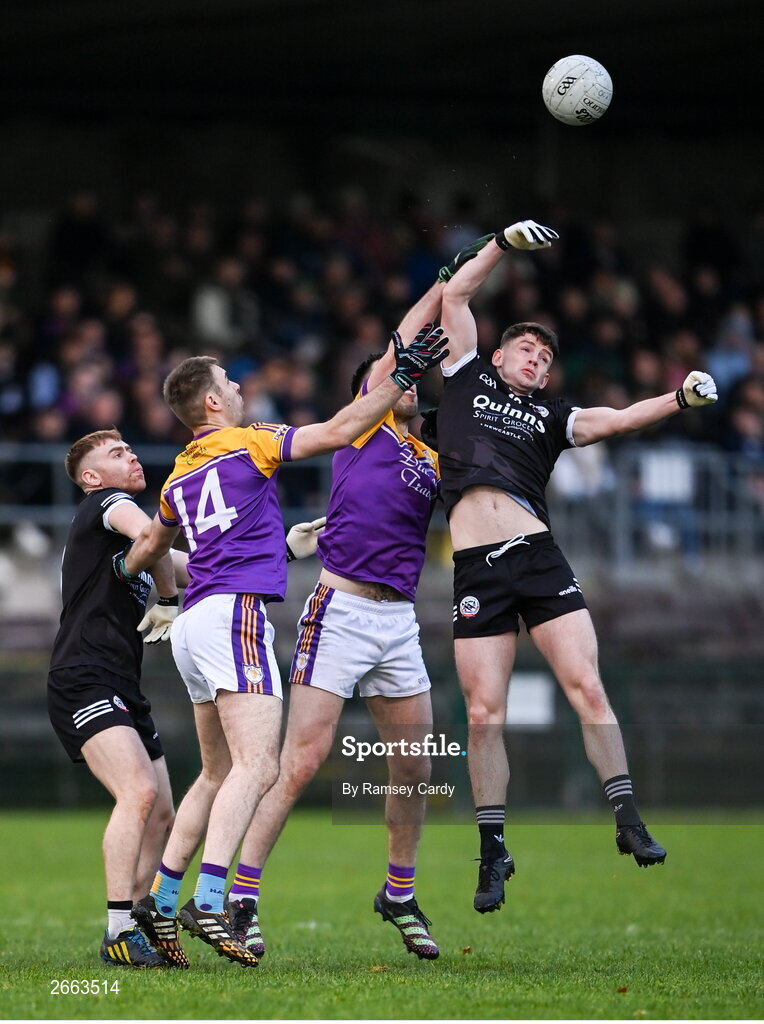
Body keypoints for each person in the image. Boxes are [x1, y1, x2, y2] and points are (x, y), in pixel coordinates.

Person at [114, 325, 449, 967]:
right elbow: (334, 431)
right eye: (229, 384)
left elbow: (155, 548)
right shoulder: (252, 442)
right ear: (212, 403)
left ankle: (160, 896)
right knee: (259, 767)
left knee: (215, 773)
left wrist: (132, 581)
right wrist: (402, 377)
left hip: (190, 622)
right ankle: (212, 900)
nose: (239, 389)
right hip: (235, 616)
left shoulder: (177, 476)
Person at [435, 219, 718, 913]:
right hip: (475, 569)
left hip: (535, 557)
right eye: (524, 349)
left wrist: (678, 398)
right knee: (482, 715)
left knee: (586, 687)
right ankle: (493, 851)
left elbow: (616, 421)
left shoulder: (552, 415)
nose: (535, 359)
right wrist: (501, 244)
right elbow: (454, 299)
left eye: (544, 356)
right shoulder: (466, 374)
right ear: (499, 357)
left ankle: (627, 819)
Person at [222, 254, 488, 962]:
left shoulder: (431, 459)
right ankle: (242, 897)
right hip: (338, 612)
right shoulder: (362, 426)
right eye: (391, 374)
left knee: (415, 769)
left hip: (396, 622)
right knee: (299, 763)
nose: (406, 379)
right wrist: (444, 283)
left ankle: (398, 892)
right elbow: (401, 347)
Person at [47, 429, 183, 968]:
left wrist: (282, 551)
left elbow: (193, 566)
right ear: (91, 477)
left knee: (163, 815)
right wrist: (169, 598)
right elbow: (156, 539)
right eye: (115, 453)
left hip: (120, 682)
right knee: (140, 793)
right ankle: (118, 932)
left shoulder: (128, 538)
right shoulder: (106, 503)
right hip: (83, 676)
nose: (129, 455)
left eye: (130, 448)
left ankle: (140, 923)